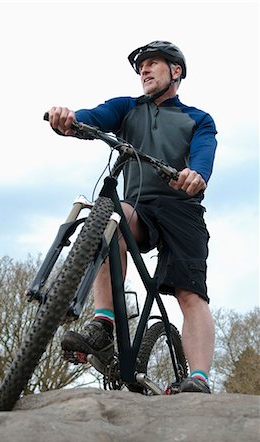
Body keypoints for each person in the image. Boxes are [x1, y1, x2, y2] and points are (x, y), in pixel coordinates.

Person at [47, 41, 217, 394]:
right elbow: (92, 118)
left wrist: (196, 175)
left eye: (153, 63)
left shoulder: (197, 119)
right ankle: (104, 322)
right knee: (112, 215)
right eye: (141, 66)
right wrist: (69, 119)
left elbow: (203, 155)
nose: (144, 70)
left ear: (176, 72)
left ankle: (198, 378)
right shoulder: (127, 108)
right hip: (140, 205)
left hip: (182, 209)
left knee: (190, 294)